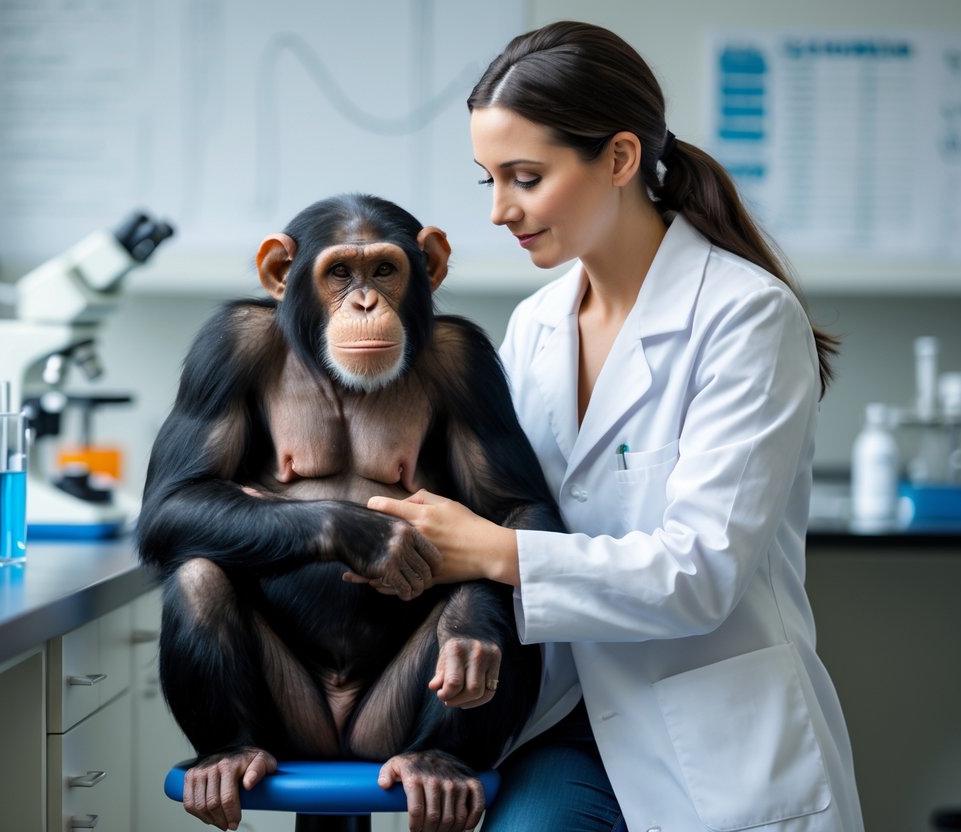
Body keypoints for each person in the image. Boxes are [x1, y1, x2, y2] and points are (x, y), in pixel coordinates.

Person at [364, 20, 865, 832]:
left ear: (620, 159)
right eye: (487, 179)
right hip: (558, 718)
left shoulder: (743, 318)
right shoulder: (534, 326)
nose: (498, 211)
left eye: (524, 177)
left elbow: (698, 572)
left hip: (707, 730)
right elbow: (502, 501)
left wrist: (492, 550)